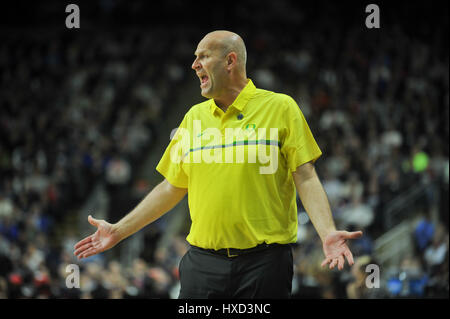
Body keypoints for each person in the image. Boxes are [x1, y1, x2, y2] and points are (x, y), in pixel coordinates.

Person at [74, 30, 363, 299]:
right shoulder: (193, 118)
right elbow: (171, 187)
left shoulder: (281, 108)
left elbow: (306, 176)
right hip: (202, 263)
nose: (194, 64)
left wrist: (327, 232)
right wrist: (119, 230)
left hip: (264, 264)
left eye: (203, 56)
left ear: (230, 61)